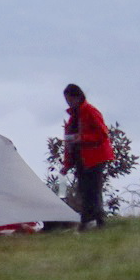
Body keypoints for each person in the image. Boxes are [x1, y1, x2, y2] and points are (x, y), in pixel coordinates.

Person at [60, 83, 115, 231]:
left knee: (93, 190)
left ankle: (95, 221)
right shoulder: (73, 118)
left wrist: (82, 138)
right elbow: (69, 143)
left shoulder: (90, 111)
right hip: (81, 159)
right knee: (84, 190)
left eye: (70, 100)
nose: (69, 103)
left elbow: (103, 134)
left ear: (78, 97)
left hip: (95, 157)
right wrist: (67, 164)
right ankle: (89, 221)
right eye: (67, 100)